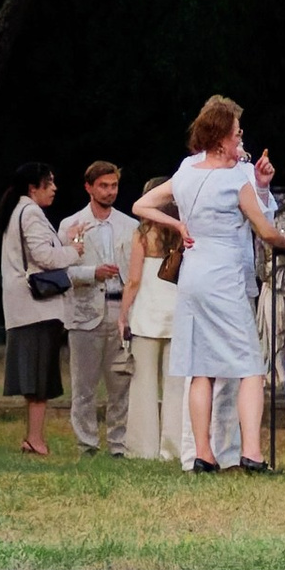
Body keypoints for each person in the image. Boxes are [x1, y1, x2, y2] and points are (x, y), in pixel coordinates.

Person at [136, 95, 285, 472]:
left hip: (193, 275)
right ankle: (251, 452)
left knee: (200, 368)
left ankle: (203, 453)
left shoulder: (187, 169)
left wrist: (177, 224)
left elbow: (142, 205)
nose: (241, 140)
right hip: (224, 276)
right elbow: (266, 229)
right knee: (250, 365)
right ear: (221, 138)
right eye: (237, 134)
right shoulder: (235, 177)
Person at [59, 161, 133, 453]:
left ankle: (118, 443)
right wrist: (93, 273)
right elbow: (63, 271)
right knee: (84, 386)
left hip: (119, 308)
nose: (109, 191)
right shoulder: (71, 224)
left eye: (113, 185)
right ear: (89, 187)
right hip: (85, 310)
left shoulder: (129, 225)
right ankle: (86, 443)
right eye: (103, 185)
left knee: (120, 383)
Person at [0, 163, 70, 457]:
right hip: (37, 307)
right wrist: (74, 250)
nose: (54, 188)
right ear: (33, 187)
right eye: (49, 183)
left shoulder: (17, 211)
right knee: (40, 378)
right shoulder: (30, 213)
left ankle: (32, 436)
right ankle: (35, 438)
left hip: (21, 307)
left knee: (34, 377)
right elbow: (43, 256)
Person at [124, 190, 184, 459]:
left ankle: (142, 448)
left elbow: (134, 280)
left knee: (143, 384)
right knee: (176, 386)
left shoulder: (142, 234)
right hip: (179, 314)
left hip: (147, 315)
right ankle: (174, 447)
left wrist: (123, 313)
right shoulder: (184, 233)